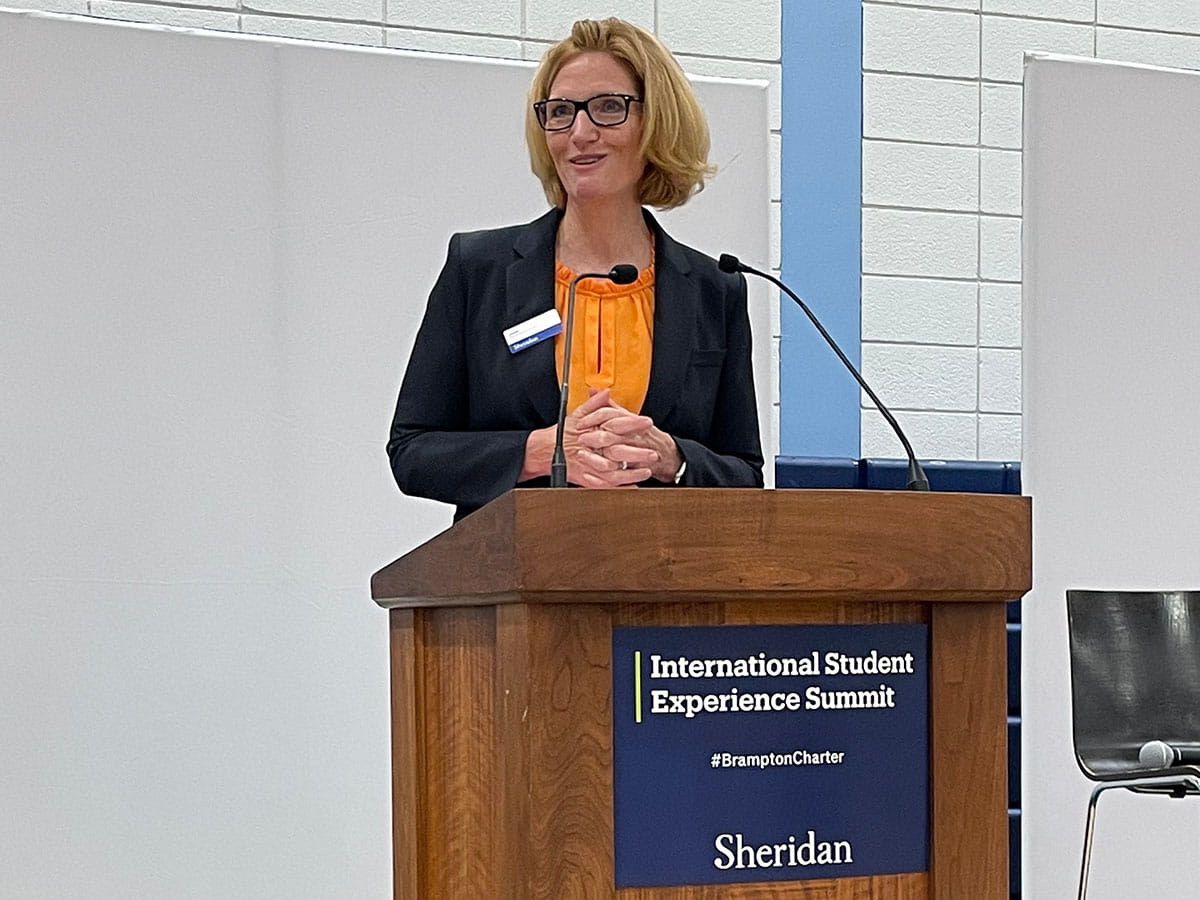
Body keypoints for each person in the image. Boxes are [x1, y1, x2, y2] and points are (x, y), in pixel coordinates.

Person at [388, 17, 762, 521]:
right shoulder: (478, 270)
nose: (580, 133)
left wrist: (671, 458)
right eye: (560, 112)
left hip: (664, 580)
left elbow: (746, 474)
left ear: (656, 124)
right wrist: (539, 451)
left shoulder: (715, 290)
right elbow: (412, 453)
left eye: (609, 108)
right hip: (515, 582)